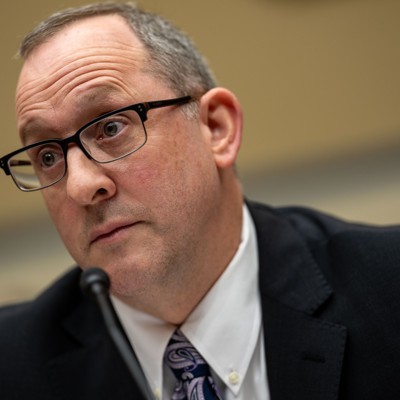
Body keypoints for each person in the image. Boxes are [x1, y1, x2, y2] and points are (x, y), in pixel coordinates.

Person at [1, 2, 400, 399]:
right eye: (47, 157)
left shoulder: (388, 289)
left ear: (216, 128)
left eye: (110, 128)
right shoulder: (11, 366)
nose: (80, 186)